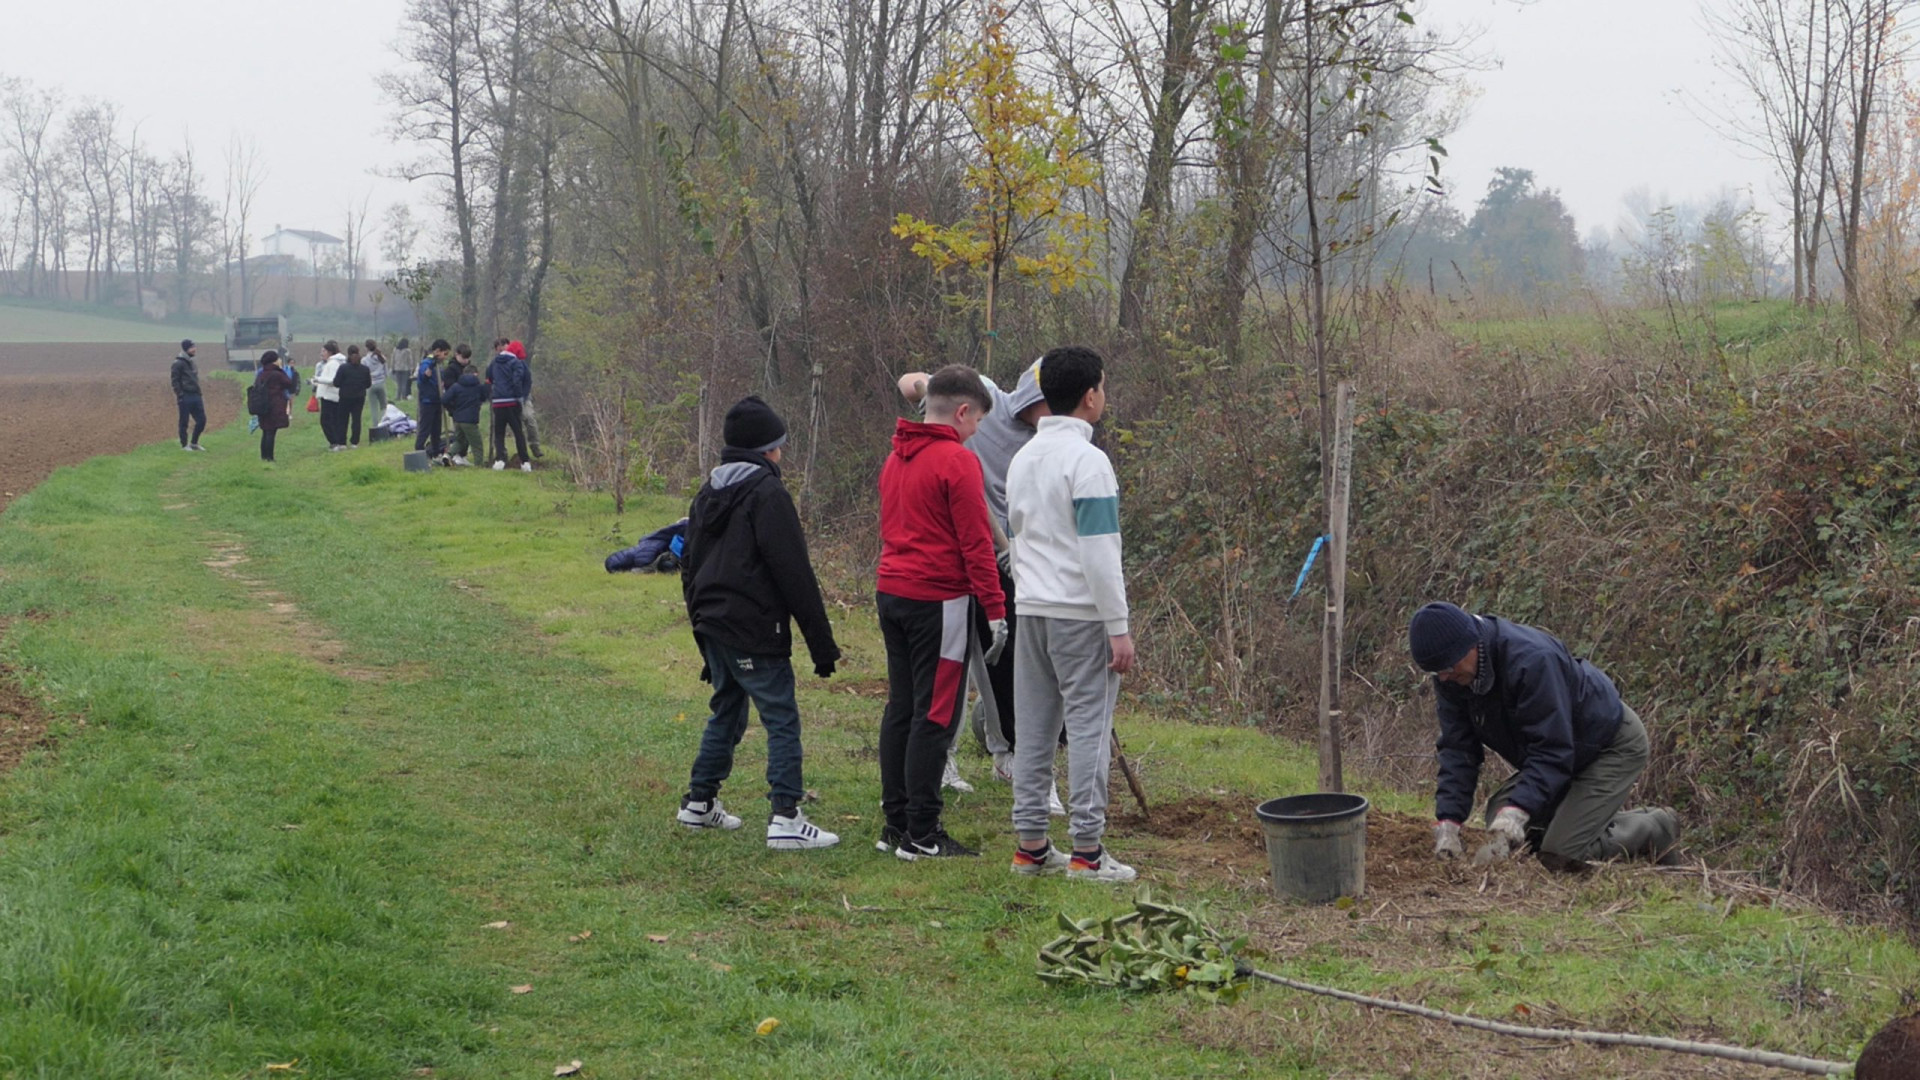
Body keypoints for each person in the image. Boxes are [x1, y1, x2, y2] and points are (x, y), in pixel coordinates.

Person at [677, 395, 843, 851]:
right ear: (767, 449)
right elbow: (795, 574)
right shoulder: (769, 494)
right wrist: (822, 646)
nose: (782, 453)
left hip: (712, 621)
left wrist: (700, 623)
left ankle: (699, 803)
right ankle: (787, 816)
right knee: (781, 717)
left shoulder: (706, 491)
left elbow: (687, 563)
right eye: (779, 445)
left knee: (727, 708)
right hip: (752, 627)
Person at [1408, 602, 1680, 868]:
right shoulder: (1453, 677)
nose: (1443, 677)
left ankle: (1655, 827)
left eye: (1448, 667)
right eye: (1437, 672)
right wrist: (1449, 823)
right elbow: (1458, 750)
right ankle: (1575, 823)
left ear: (1470, 643)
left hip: (1608, 745)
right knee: (1498, 818)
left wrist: (1517, 812)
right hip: (1561, 750)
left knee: (1561, 853)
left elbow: (1551, 751)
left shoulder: (1532, 660)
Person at [1005, 345, 1137, 883]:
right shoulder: (1089, 462)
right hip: (1081, 615)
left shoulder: (1023, 458)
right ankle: (1087, 851)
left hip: (1030, 609)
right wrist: (1118, 627)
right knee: (1088, 728)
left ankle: (1030, 846)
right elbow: (1100, 553)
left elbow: (1015, 538)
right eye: (1103, 387)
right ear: (1090, 396)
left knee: (1033, 729)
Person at [899, 359, 1055, 802]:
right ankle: (935, 766)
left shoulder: (1049, 444)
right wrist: (929, 389)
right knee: (946, 668)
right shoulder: (971, 417)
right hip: (948, 570)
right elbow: (912, 384)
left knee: (996, 664)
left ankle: (1007, 755)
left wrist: (1014, 552)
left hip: (997, 562)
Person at [875, 365, 1007, 861]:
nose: (975, 435)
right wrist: (996, 610)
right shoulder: (956, 460)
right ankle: (923, 833)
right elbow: (976, 544)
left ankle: (896, 823)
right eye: (977, 424)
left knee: (902, 708)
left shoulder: (896, 456)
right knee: (936, 714)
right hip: (940, 600)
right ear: (963, 411)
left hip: (893, 592)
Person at [485, 340, 533, 471]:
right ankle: (525, 462)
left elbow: (488, 375)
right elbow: (517, 381)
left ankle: (500, 460)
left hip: (497, 402)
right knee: (518, 433)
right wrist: (519, 397)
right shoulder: (516, 363)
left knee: (499, 433)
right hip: (512, 402)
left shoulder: (495, 361)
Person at [442, 362, 488, 465]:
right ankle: (479, 464)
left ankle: (448, 455)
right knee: (477, 443)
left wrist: (453, 409)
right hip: (470, 420)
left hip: (457, 419)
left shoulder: (456, 386)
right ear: (475, 374)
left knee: (460, 441)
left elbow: (444, 399)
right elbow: (484, 397)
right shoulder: (478, 387)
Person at [255, 351, 295, 463]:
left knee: (265, 430)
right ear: (274, 361)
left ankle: (264, 456)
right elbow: (289, 383)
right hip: (275, 405)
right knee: (271, 431)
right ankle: (270, 457)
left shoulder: (262, 373)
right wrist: (281, 369)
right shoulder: (277, 374)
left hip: (263, 405)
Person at [171, 338, 207, 451]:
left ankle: (194, 443)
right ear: (186, 349)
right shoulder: (178, 363)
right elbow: (174, 381)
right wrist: (180, 395)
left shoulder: (192, 362)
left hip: (196, 395)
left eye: (194, 346)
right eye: (192, 347)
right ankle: (184, 445)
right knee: (184, 422)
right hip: (185, 396)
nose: (194, 349)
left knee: (202, 420)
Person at [334, 344, 373, 448]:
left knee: (343, 419)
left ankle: (342, 442)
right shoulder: (365, 369)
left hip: (345, 396)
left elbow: (336, 383)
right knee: (356, 419)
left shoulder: (343, 368)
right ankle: (354, 442)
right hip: (359, 397)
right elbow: (368, 384)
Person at [415, 339, 449, 455]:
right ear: (438, 351)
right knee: (425, 429)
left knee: (436, 431)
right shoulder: (426, 363)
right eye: (445, 354)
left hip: (437, 401)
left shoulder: (439, 365)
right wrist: (428, 372)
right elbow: (423, 377)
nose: (445, 357)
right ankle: (418, 452)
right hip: (427, 402)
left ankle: (436, 453)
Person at [312, 341, 347, 450]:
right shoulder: (337, 362)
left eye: (324, 351)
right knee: (335, 420)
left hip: (329, 395)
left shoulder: (332, 364)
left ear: (330, 352)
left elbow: (333, 381)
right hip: (334, 395)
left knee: (326, 421)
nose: (321, 353)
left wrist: (318, 379)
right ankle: (339, 442)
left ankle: (334, 442)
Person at [364, 339, 390, 421]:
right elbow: (386, 372)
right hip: (381, 383)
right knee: (383, 406)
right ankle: (384, 424)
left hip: (370, 384)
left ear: (366, 348)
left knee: (373, 407)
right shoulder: (382, 358)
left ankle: (375, 426)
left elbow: (364, 373)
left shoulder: (364, 360)